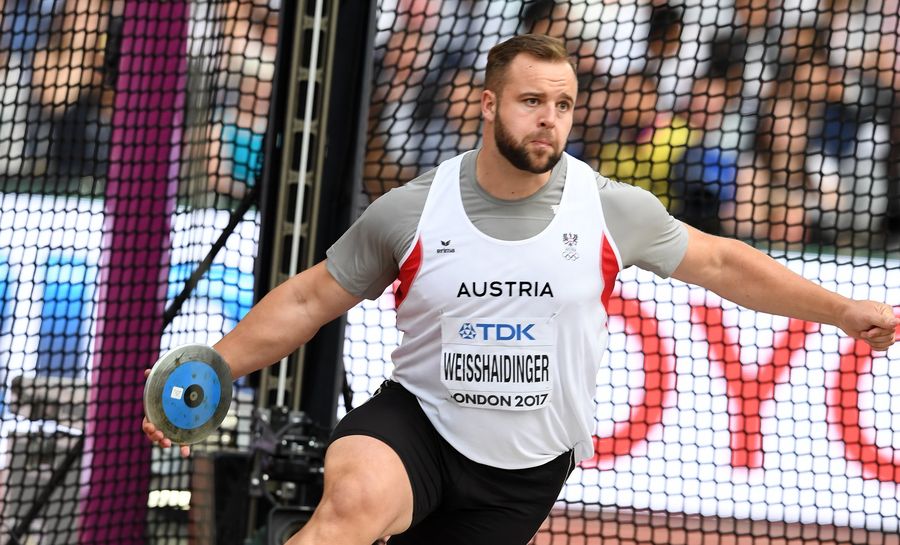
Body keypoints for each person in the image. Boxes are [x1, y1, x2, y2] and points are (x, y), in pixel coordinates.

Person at [143, 34, 898, 545]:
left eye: (564, 105)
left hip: (524, 473)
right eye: (532, 101)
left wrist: (841, 310)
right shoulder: (411, 211)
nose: (549, 120)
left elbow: (728, 265)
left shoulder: (609, 208)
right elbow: (309, 300)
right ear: (487, 102)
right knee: (352, 504)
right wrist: (216, 366)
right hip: (420, 428)